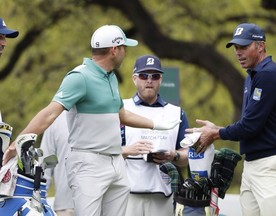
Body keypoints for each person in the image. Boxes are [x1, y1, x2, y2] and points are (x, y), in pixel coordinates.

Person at [2, 24, 181, 216]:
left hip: (116, 161)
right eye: (124, 48)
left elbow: (122, 114)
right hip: (89, 163)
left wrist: (157, 124)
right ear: (114, 50)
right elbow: (50, 113)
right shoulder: (80, 76)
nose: (125, 52)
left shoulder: (110, 77)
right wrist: (17, 144)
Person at [189, 23, 276, 216]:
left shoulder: (268, 75)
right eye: (236, 47)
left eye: (243, 47)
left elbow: (250, 126)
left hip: (273, 166)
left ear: (260, 46)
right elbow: (251, 122)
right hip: (253, 165)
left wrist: (216, 133)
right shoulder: (252, 76)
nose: (238, 52)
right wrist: (217, 129)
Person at [121, 54, 189, 216]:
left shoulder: (176, 113)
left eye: (155, 76)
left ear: (161, 80)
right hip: (127, 194)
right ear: (134, 79)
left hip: (162, 195)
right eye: (144, 75)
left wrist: (175, 155)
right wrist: (128, 150)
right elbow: (105, 151)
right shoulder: (122, 109)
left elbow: (188, 155)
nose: (149, 80)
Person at [40, 111, 74, 216]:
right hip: (66, 206)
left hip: (100, 202)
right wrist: (40, 200)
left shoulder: (100, 114)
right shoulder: (55, 120)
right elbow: (45, 164)